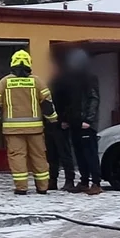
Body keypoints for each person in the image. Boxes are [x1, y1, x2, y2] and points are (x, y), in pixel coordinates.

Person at [0, 50, 57, 195]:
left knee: (17, 157)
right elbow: (47, 105)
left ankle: (21, 188)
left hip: (13, 131)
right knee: (39, 156)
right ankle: (42, 187)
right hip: (35, 130)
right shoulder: (37, 82)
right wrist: (53, 120)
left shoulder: (4, 82)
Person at [55, 48, 103, 195]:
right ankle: (84, 181)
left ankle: (96, 182)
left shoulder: (89, 78)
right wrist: (66, 119)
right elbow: (69, 102)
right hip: (75, 122)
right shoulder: (71, 80)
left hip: (86, 123)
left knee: (90, 153)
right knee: (79, 154)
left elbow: (93, 99)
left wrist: (89, 119)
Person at [45, 55, 76, 191]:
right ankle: (52, 180)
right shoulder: (54, 82)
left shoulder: (68, 83)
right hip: (50, 123)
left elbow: (71, 104)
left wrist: (66, 120)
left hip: (61, 122)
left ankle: (69, 180)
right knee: (52, 154)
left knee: (64, 153)